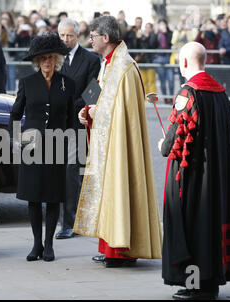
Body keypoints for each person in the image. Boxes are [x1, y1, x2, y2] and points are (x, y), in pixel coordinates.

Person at [75, 16, 162, 268]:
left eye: (92, 35)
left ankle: (121, 250)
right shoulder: (107, 64)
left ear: (105, 38)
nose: (90, 40)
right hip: (107, 140)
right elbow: (100, 99)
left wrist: (93, 112)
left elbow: (117, 111)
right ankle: (109, 246)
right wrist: (86, 111)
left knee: (120, 188)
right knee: (109, 193)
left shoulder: (124, 66)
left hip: (120, 142)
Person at [158, 42, 230, 300]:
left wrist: (163, 144)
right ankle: (210, 283)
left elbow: (174, 139)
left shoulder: (188, 92)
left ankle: (194, 285)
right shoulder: (220, 92)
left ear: (184, 63)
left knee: (192, 229)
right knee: (211, 228)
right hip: (217, 173)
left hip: (192, 176)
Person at [9, 33, 75, 262]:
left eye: (50, 58)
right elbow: (15, 113)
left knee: (53, 196)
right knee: (34, 196)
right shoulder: (27, 83)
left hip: (57, 145)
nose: (47, 62)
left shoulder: (67, 84)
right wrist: (16, 139)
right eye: (42, 58)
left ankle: (49, 245)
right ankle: (36, 244)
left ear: (56, 59)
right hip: (31, 145)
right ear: (37, 61)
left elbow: (73, 117)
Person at [56, 18, 101, 239]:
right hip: (55, 125)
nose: (65, 39)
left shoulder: (91, 59)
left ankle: (70, 222)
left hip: (77, 123)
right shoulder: (53, 58)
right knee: (60, 171)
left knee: (72, 171)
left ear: (77, 36)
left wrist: (73, 108)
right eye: (62, 36)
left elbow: (93, 91)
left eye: (69, 36)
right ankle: (72, 218)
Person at [153, 19, 174, 104]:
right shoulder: (156, 34)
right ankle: (165, 97)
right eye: (160, 24)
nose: (162, 26)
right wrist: (155, 34)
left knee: (171, 79)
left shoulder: (170, 33)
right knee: (162, 80)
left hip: (169, 58)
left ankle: (171, 97)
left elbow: (171, 42)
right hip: (159, 58)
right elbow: (152, 44)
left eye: (163, 24)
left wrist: (165, 33)